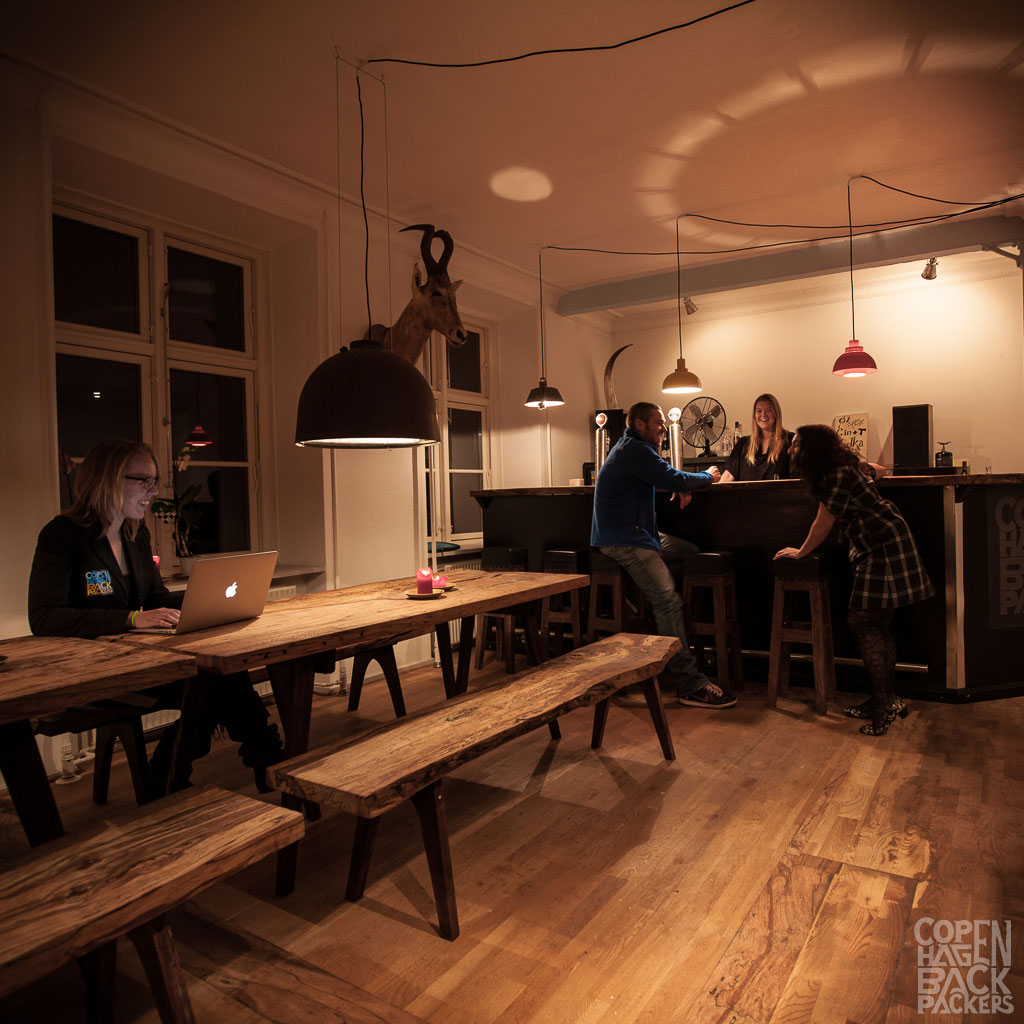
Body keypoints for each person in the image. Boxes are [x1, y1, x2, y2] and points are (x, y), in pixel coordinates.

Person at [28, 438, 284, 790]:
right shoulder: (62, 535)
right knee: (213, 682)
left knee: (220, 674)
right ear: (108, 479)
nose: (152, 491)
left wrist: (205, 603)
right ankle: (257, 759)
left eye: (155, 481)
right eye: (143, 481)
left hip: (138, 660)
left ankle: (175, 773)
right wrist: (131, 619)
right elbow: (45, 618)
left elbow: (155, 598)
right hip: (90, 672)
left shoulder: (135, 534)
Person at [774, 424, 934, 735]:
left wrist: (801, 551)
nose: (791, 449)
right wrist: (867, 475)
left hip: (881, 545)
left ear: (813, 450)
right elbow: (879, 470)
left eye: (797, 444)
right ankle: (886, 698)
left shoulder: (833, 475)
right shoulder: (844, 467)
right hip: (885, 539)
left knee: (862, 621)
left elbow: (823, 524)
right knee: (877, 624)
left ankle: (883, 707)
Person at [591, 402, 734, 708]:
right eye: (657, 423)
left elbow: (666, 477)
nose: (662, 428)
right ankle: (689, 684)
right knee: (668, 601)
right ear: (639, 424)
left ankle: (659, 628)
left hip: (634, 536)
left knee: (689, 554)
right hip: (625, 540)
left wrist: (678, 483)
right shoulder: (635, 449)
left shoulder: (630, 448)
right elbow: (672, 477)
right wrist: (707, 476)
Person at [720, 393, 794, 482]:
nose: (763, 415)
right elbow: (727, 477)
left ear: (776, 413)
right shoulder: (743, 444)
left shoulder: (790, 441)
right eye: (759, 411)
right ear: (754, 415)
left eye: (769, 410)